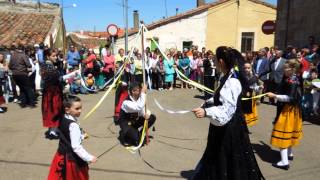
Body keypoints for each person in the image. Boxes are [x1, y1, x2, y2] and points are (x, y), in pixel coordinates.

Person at [192, 46, 264, 179]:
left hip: (229, 129)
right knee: (218, 158)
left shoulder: (232, 81)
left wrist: (206, 112)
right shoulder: (226, 76)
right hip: (223, 128)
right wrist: (207, 103)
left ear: (221, 62)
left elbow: (226, 111)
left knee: (226, 159)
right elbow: (219, 97)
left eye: (215, 59)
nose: (213, 61)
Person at [48, 95, 97, 180]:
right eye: (77, 109)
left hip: (61, 155)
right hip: (71, 159)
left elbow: (66, 135)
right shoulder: (73, 125)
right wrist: (89, 157)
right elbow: (76, 147)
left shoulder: (62, 118)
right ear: (67, 110)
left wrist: (81, 136)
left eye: (81, 108)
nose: (80, 111)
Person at [266, 59, 303, 170]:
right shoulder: (294, 78)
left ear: (293, 69)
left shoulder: (292, 80)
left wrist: (274, 96)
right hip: (294, 110)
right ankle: (289, 154)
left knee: (283, 134)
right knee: (289, 133)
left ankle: (284, 162)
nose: (284, 69)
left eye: (286, 68)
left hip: (288, 111)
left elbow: (290, 98)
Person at [40, 50, 65, 139]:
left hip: (53, 92)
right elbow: (56, 78)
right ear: (48, 57)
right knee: (53, 110)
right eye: (53, 56)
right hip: (51, 93)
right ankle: (53, 131)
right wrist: (71, 75)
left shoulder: (49, 65)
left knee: (55, 110)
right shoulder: (47, 66)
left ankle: (54, 129)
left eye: (56, 56)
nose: (56, 57)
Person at [242, 62, 263, 126]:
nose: (247, 69)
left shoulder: (254, 78)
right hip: (242, 97)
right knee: (243, 112)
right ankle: (243, 124)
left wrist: (259, 87)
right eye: (245, 68)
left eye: (248, 68)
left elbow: (254, 87)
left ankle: (246, 124)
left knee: (249, 111)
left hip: (251, 97)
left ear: (251, 68)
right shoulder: (241, 77)